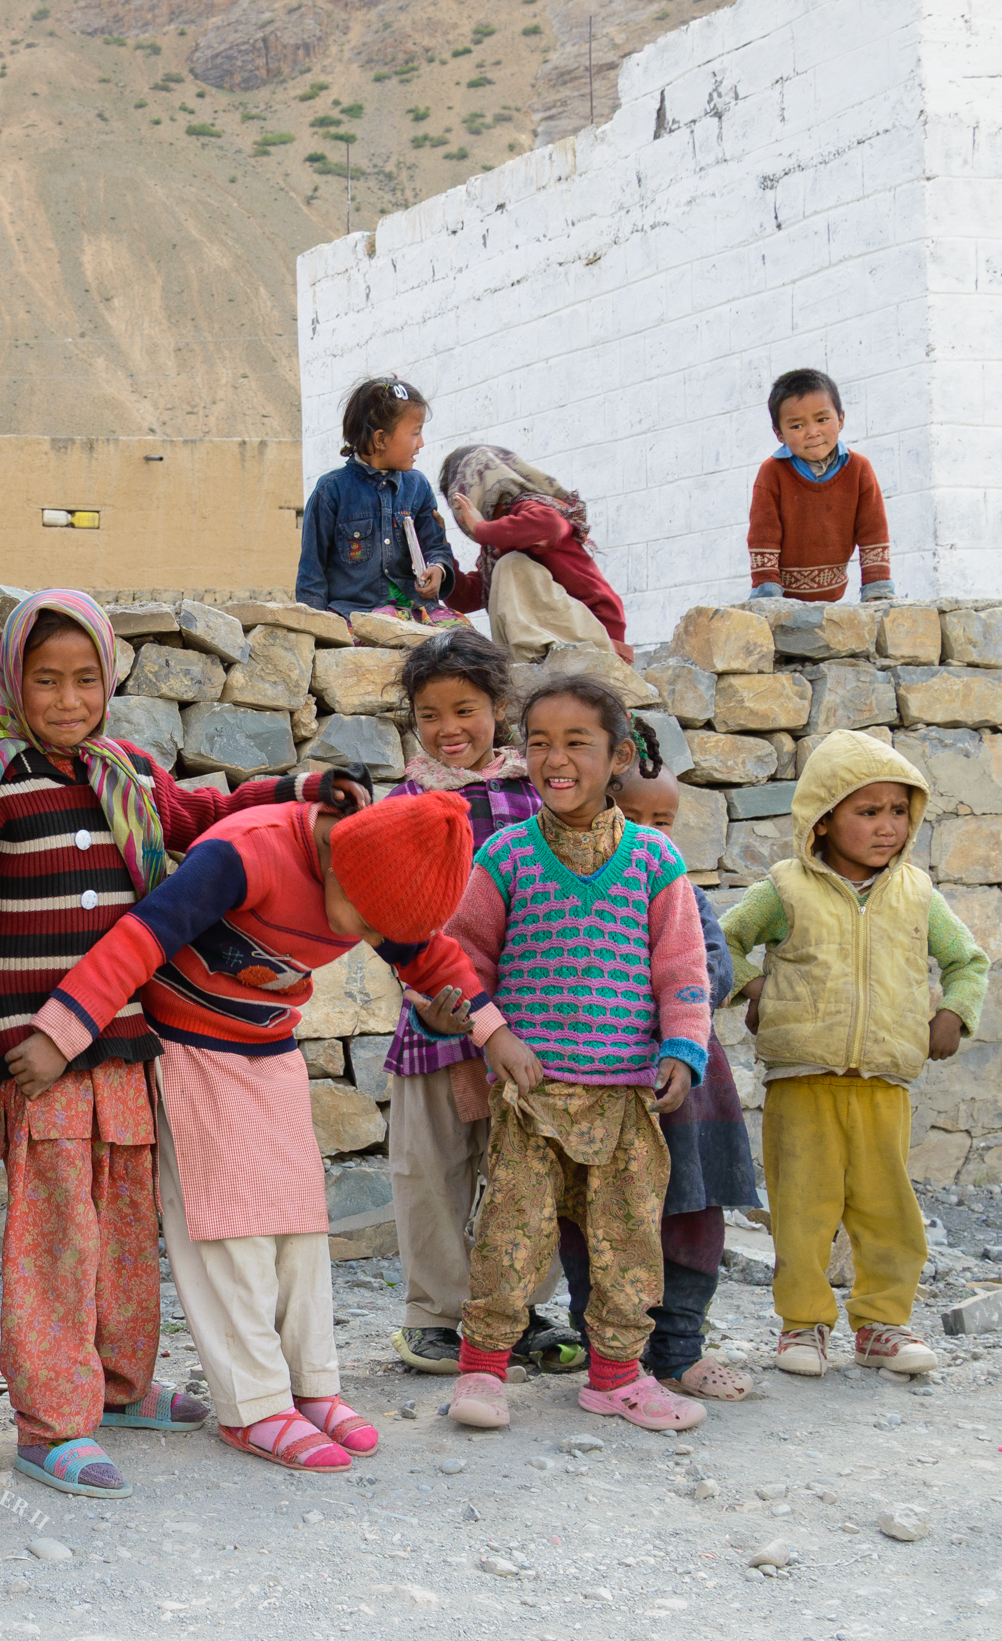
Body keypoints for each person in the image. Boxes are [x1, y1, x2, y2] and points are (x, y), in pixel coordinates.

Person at [0, 590, 360, 1499]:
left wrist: (295, 790)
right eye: (46, 680)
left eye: (86, 679)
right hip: (35, 1052)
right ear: (12, 681)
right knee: (55, 1239)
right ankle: (52, 1422)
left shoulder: (127, 773)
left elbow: (203, 816)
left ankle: (121, 1386)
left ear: (111, 679)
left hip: (125, 1041)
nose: (69, 699)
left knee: (126, 1227)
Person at [10, 791, 489, 1472]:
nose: (378, 942)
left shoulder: (379, 883)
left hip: (271, 1048)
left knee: (299, 1223)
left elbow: (432, 960)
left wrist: (485, 1028)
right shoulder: (246, 854)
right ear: (337, 863)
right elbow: (139, 938)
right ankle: (255, 1405)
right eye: (370, 925)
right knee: (227, 1227)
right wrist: (62, 1033)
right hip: (192, 1049)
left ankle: (311, 1386)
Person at [443, 674, 712, 1435]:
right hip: (534, 1093)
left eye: (577, 743)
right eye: (539, 744)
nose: (555, 760)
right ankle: (483, 1370)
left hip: (626, 1094)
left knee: (629, 1239)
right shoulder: (506, 856)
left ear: (619, 756)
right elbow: (462, 959)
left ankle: (616, 1377)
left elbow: (682, 967)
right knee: (511, 1231)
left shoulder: (656, 859)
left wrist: (683, 1048)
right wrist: (493, 1033)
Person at [722, 730, 987, 1379]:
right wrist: (755, 988)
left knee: (887, 1211)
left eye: (899, 810)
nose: (888, 826)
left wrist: (954, 1013)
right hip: (801, 1082)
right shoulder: (785, 888)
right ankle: (802, 1325)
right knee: (801, 1212)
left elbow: (967, 960)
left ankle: (882, 1326)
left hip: (884, 1085)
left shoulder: (917, 893)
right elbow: (719, 941)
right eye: (868, 812)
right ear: (822, 819)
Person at [372, 629, 576, 1378]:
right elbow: (382, 909)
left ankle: (516, 1311)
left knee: (529, 1168)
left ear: (499, 708)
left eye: (465, 710)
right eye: (429, 715)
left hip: (531, 1015)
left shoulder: (539, 796)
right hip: (436, 1014)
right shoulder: (402, 805)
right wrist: (422, 993)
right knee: (430, 1168)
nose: (448, 729)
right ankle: (434, 1314)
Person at [575, 754, 765, 1400]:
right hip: (598, 1080)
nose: (650, 834)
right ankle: (604, 1351)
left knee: (689, 1211)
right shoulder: (569, 894)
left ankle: (680, 1350)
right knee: (593, 1215)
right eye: (632, 817)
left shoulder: (683, 890)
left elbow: (716, 969)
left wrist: (665, 1003)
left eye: (664, 821)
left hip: (682, 1084)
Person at [437, 444, 632, 664]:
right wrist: (440, 551)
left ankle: (530, 657)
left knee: (512, 564)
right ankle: (524, 661)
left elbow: (550, 527)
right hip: (566, 630)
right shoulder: (496, 546)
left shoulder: (530, 507)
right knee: (504, 571)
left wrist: (481, 528)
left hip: (596, 634)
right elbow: (466, 599)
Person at [294, 376, 462, 626]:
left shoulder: (418, 487)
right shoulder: (331, 491)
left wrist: (438, 568)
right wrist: (316, 631)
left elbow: (435, 546)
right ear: (380, 439)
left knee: (465, 639)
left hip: (415, 613)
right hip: (354, 617)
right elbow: (312, 572)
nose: (421, 443)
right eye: (415, 433)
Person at [747, 367, 892, 603]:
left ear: (841, 419)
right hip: (782, 597)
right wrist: (767, 595)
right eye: (797, 426)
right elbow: (763, 535)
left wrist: (877, 590)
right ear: (779, 434)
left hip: (833, 593)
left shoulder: (858, 469)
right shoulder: (772, 472)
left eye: (822, 420)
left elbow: (873, 531)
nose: (812, 432)